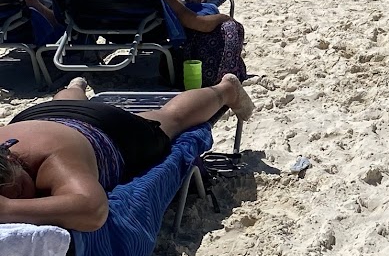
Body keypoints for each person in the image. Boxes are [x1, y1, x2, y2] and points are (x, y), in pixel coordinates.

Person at [0, 74, 254, 232]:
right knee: (61, 106)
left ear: (12, 158)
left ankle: (225, 90)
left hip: (105, 127)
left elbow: (93, 210)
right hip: (39, 117)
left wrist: (9, 209)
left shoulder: (53, 163)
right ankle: (75, 88)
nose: (24, 199)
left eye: (21, 190)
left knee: (170, 119)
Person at [145, 0, 248, 86]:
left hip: (116, 31)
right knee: (230, 27)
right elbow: (200, 23)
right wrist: (224, 18)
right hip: (148, 34)